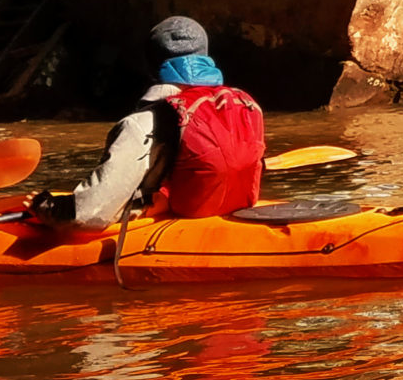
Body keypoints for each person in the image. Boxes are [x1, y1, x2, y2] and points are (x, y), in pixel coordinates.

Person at [29, 17, 265, 229]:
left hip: (179, 228)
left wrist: (49, 207)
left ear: (150, 65)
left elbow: (91, 214)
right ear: (205, 56)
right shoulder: (246, 104)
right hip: (228, 212)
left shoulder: (142, 123)